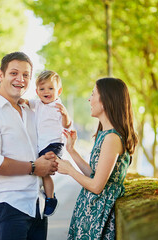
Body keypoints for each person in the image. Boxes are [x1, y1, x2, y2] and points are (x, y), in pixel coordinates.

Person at [0, 52, 58, 240]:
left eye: (26, 75)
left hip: (36, 206)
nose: (20, 79)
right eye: (14, 73)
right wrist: (34, 167)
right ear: (1, 75)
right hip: (7, 207)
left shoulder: (31, 110)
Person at [56, 77, 138, 239]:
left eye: (93, 94)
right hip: (90, 213)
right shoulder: (105, 135)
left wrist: (70, 170)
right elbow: (93, 174)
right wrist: (71, 151)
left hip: (98, 218)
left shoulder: (112, 138)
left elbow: (96, 186)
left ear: (106, 100)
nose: (89, 99)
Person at [25, 70, 72, 216]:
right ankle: (47, 194)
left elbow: (67, 125)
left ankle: (51, 198)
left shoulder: (58, 106)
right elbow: (26, 103)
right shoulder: (37, 104)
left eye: (51, 88)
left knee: (45, 173)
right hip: (41, 145)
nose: (46, 92)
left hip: (54, 144)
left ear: (59, 90)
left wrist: (65, 115)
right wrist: (20, 101)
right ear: (37, 91)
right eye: (42, 89)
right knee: (43, 173)